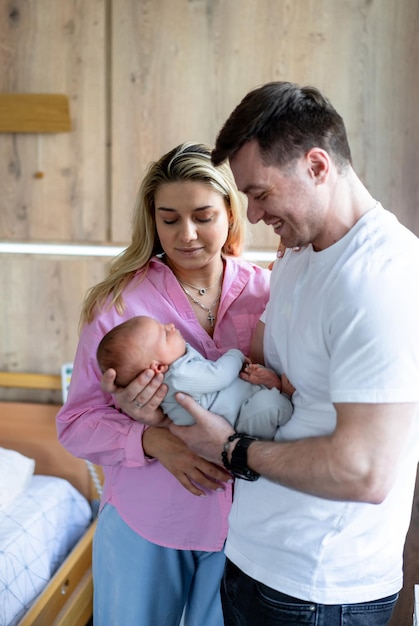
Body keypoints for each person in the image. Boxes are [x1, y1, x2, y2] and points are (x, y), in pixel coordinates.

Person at [127, 83, 419, 626]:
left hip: (316, 589)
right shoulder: (299, 255)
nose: (254, 217)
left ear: (316, 165)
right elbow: (268, 362)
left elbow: (365, 472)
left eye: (260, 194)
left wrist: (231, 448)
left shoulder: (383, 281)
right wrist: (163, 395)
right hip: (256, 561)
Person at [55, 142, 271, 626]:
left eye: (203, 215)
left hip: (248, 528)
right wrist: (155, 440)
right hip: (147, 521)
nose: (187, 234)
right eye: (169, 218)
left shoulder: (268, 291)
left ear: (231, 214)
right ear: (152, 220)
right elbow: (76, 424)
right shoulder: (117, 304)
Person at [96, 314, 294, 440]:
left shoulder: (177, 365)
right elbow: (220, 376)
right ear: (157, 367)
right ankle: (284, 398)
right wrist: (235, 355)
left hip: (237, 408)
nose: (171, 326)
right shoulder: (178, 376)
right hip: (238, 425)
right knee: (270, 405)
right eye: (164, 334)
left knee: (259, 389)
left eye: (163, 324)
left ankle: (273, 390)